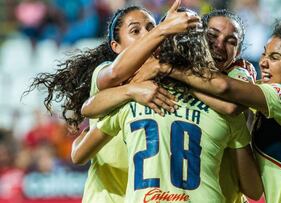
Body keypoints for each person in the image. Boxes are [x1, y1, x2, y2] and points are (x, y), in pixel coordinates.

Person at [158, 21, 281, 202]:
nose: (263, 62)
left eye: (274, 57)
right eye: (264, 53)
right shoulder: (276, 103)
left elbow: (225, 90)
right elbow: (230, 105)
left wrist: (170, 70)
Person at [72, 13, 262, 202]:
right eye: (212, 36)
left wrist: (167, 73)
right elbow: (89, 109)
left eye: (231, 41)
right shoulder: (131, 85)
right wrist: (133, 89)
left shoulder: (144, 91)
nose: (219, 45)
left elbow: (85, 122)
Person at [24, 1, 201, 202]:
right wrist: (132, 89)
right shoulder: (105, 74)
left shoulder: (168, 81)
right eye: (135, 30)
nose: (146, 34)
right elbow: (100, 93)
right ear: (115, 46)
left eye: (150, 28)